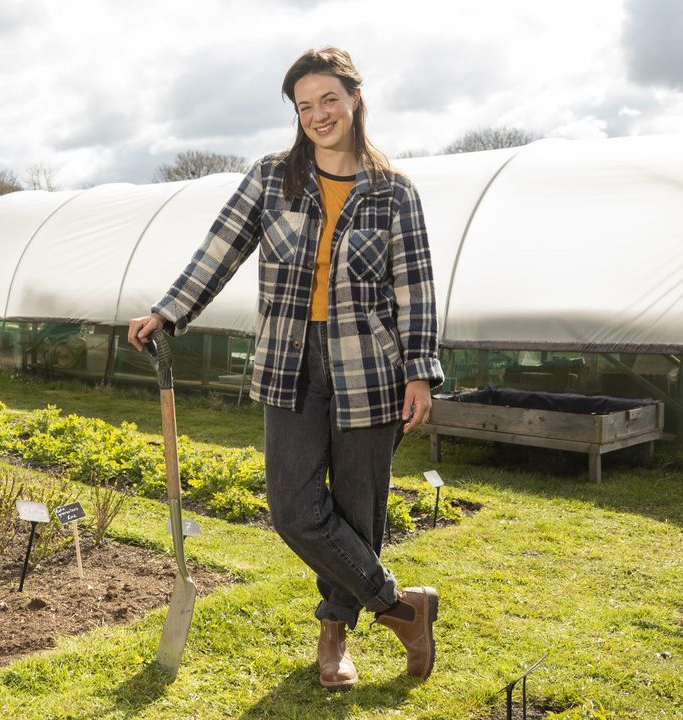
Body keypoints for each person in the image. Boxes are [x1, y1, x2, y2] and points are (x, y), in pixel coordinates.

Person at [128, 47, 444, 689]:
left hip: (370, 368)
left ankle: (334, 636)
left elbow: (415, 289)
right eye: (304, 106)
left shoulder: (393, 192)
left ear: (355, 98)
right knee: (293, 508)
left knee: (360, 511)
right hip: (289, 362)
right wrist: (169, 311)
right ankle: (403, 609)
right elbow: (220, 249)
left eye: (329, 99)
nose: (318, 115)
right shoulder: (273, 178)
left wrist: (419, 372)